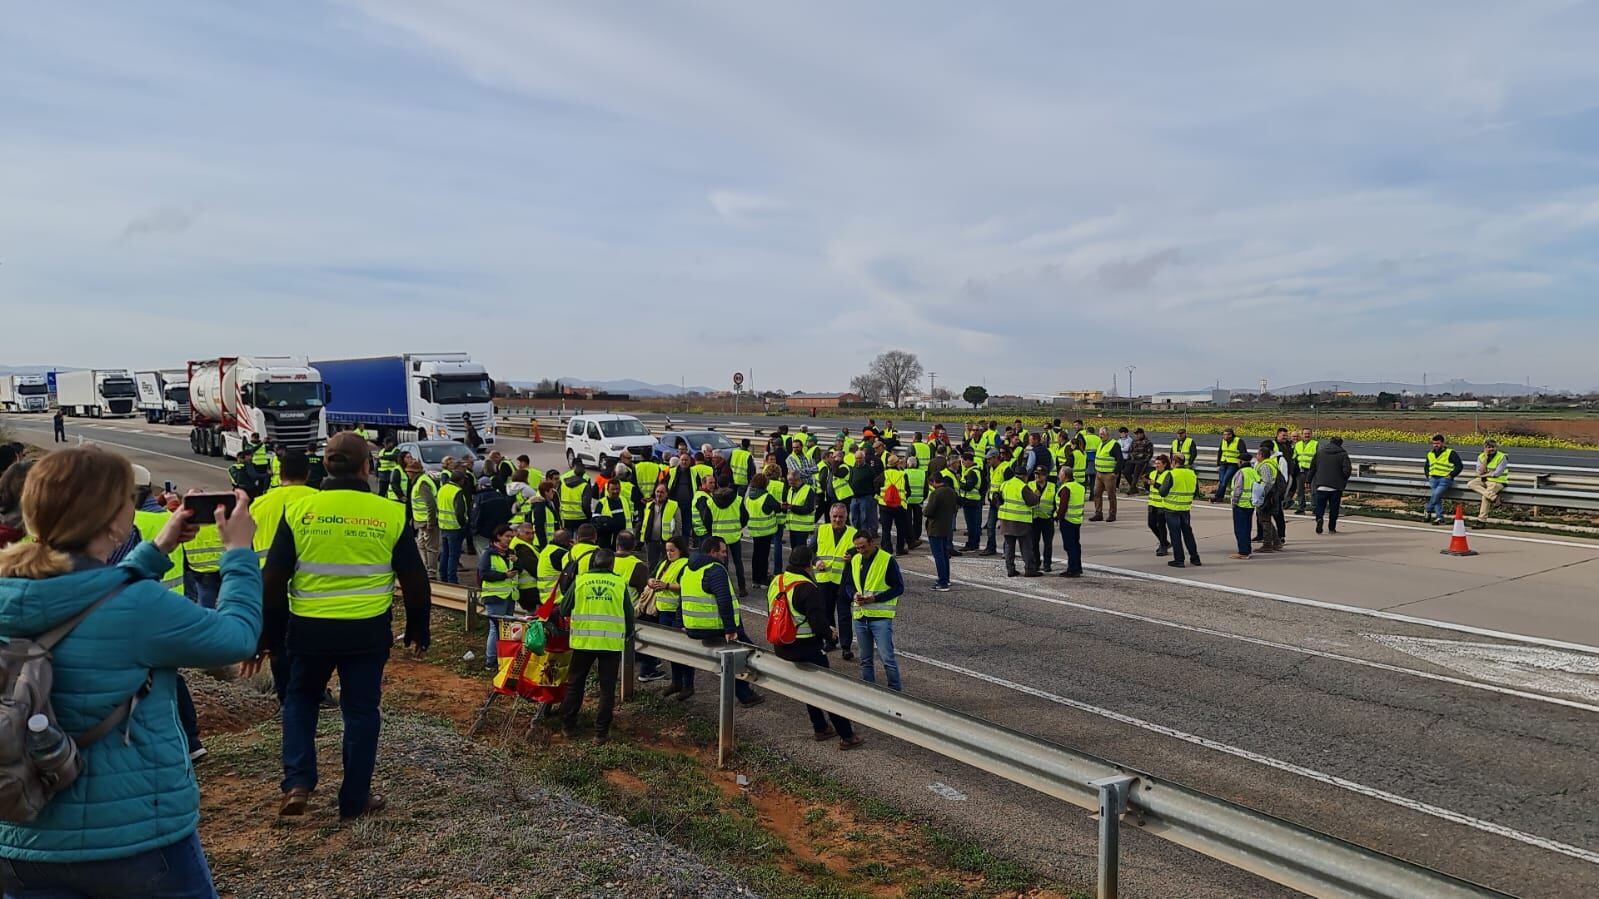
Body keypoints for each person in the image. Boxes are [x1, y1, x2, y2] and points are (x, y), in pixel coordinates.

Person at [0, 447, 261, 897]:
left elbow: (87, 593)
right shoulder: (141, 608)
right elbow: (236, 638)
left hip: (21, 841)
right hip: (135, 840)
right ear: (113, 521)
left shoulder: (11, 589)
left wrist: (156, 549)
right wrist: (238, 553)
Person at [261, 431, 431, 820]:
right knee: (360, 711)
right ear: (367, 467)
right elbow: (415, 579)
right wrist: (419, 627)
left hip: (309, 632)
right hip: (366, 633)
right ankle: (354, 801)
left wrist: (269, 634)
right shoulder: (388, 512)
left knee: (300, 700)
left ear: (324, 465)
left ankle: (298, 781)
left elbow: (273, 579)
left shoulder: (300, 511)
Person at [770, 546, 864, 749]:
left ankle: (820, 727)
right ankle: (847, 735)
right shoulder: (806, 587)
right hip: (806, 647)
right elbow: (818, 622)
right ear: (808, 565)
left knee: (807, 687)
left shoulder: (777, 581)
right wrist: (830, 633)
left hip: (782, 645)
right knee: (827, 690)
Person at [676, 536, 764, 706]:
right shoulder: (715, 570)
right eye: (723, 552)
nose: (725, 555)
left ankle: (744, 693)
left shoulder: (687, 569)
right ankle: (745, 695)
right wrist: (731, 629)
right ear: (712, 552)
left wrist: (680, 623)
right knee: (749, 653)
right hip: (714, 627)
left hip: (693, 627)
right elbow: (723, 600)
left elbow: (681, 598)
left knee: (735, 657)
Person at [558, 549, 634, 743]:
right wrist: (628, 634)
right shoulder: (619, 584)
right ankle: (601, 733)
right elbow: (629, 615)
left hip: (584, 642)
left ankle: (568, 726)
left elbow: (565, 609)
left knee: (575, 684)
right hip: (610, 644)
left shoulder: (580, 581)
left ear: (593, 563)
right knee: (607, 689)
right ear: (612, 565)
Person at [844, 530, 904, 691]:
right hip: (860, 616)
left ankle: (895, 692)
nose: (860, 551)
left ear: (872, 543)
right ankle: (869, 691)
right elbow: (848, 584)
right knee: (865, 659)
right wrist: (853, 594)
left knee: (887, 658)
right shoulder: (856, 560)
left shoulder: (887, 560)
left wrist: (875, 599)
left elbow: (898, 588)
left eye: (863, 547)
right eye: (857, 548)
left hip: (880, 617)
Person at [808, 503, 857, 656]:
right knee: (826, 612)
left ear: (846, 517)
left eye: (841, 517)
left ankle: (846, 646)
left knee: (844, 614)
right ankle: (830, 640)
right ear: (829, 516)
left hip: (843, 579)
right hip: (824, 578)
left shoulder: (853, 533)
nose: (837, 519)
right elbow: (809, 551)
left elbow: (861, 551)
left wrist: (854, 555)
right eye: (835, 516)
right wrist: (816, 561)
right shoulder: (821, 529)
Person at [649, 536, 695, 698]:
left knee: (683, 651)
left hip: (677, 613)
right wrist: (651, 582)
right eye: (667, 550)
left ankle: (688, 685)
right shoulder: (664, 563)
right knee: (671, 650)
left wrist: (666, 585)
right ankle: (676, 682)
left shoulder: (685, 564)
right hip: (663, 611)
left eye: (672, 550)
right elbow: (652, 575)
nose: (669, 553)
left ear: (680, 550)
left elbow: (686, 585)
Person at [477, 524, 517, 671]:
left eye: (511, 536)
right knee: (495, 628)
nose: (510, 539)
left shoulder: (510, 553)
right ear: (498, 536)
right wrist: (503, 575)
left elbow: (519, 569)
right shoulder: (488, 554)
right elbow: (484, 573)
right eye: (507, 536)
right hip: (494, 596)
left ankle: (503, 658)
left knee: (505, 628)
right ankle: (491, 660)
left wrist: (517, 562)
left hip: (509, 595)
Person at [995, 463, 1039, 577]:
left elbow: (998, 500)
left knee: (1009, 546)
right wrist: (1036, 495)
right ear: (1024, 476)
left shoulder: (1005, 484)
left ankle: (1010, 569)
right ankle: (1029, 569)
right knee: (1026, 546)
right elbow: (1031, 501)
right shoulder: (1022, 486)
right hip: (1020, 521)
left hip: (1005, 519)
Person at [1159, 454, 1201, 568]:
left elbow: (1162, 491)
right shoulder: (1191, 473)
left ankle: (1179, 559)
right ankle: (1195, 558)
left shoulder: (1172, 474)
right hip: (1185, 508)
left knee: (1175, 535)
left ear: (1173, 461)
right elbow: (1197, 492)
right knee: (1188, 534)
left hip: (1172, 508)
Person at [1308, 436, 1352, 534]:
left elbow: (1312, 468)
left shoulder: (1320, 453)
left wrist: (1308, 481)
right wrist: (1343, 479)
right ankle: (1331, 528)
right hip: (1336, 486)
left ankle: (1319, 518)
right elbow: (1347, 470)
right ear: (1340, 444)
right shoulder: (1343, 454)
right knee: (1334, 508)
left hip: (1321, 484)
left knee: (1320, 506)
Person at [923, 471, 958, 592]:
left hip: (935, 527)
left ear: (933, 482)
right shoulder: (951, 492)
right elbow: (955, 508)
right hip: (946, 527)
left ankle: (942, 582)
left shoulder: (935, 494)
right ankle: (946, 578)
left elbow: (928, 512)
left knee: (938, 556)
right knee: (944, 555)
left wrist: (924, 510)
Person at [745, 474, 781, 589]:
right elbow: (777, 507)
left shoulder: (749, 496)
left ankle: (755, 579)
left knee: (756, 555)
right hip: (766, 530)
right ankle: (763, 579)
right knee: (764, 555)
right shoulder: (766, 496)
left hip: (754, 530)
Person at [436, 469, 471, 583]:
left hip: (443, 525)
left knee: (445, 553)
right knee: (453, 556)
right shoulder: (457, 491)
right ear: (460, 481)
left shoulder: (443, 488)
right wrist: (463, 524)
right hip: (455, 527)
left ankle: (443, 577)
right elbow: (459, 512)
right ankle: (452, 580)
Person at [1466, 439, 1510, 529]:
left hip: (1497, 481)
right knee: (1471, 483)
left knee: (1485, 497)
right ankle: (1494, 497)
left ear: (1496, 447)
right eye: (1488, 447)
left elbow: (1497, 473)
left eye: (1493, 447)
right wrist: (1486, 457)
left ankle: (1481, 521)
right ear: (1485, 448)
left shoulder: (1502, 457)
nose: (1491, 449)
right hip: (1485, 480)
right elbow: (1480, 471)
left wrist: (1485, 474)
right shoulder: (1481, 457)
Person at [408, 458, 441, 573]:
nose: (407, 474)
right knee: (421, 545)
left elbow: (430, 504)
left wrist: (430, 522)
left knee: (430, 547)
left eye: (409, 472)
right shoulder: (419, 481)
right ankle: (426, 568)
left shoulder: (422, 483)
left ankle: (431, 571)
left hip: (427, 522)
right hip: (421, 522)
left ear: (414, 472)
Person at [1229, 456, 1264, 560]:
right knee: (1247, 528)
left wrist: (1234, 501)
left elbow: (1238, 489)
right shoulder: (1253, 471)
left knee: (1240, 529)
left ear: (1241, 461)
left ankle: (1243, 552)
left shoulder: (1241, 472)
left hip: (1241, 504)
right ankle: (1247, 549)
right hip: (1250, 503)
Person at [1054, 466, 1086, 577]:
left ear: (1064, 475)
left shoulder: (1066, 488)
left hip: (1067, 520)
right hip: (1077, 519)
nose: (1058, 476)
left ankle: (1072, 569)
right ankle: (1078, 567)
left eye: (1060, 473)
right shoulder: (1079, 487)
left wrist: (1057, 517)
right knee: (1076, 545)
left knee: (1069, 546)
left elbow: (1063, 506)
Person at [1252, 443, 1283, 553]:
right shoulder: (1271, 464)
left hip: (1267, 496)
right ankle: (1276, 542)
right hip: (1271, 495)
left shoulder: (1265, 465)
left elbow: (1267, 482)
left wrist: (1261, 495)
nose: (1256, 456)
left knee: (1264, 520)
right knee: (1266, 520)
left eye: (1257, 454)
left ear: (1261, 455)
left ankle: (1267, 544)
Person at [877, 456, 910, 555]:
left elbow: (875, 485)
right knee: (901, 528)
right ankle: (900, 549)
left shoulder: (884, 474)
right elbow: (908, 490)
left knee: (886, 529)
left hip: (885, 505)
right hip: (899, 506)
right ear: (897, 464)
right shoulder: (903, 474)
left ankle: (887, 548)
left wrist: (879, 496)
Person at [1089, 427, 1122, 522]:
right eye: (1100, 434)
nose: (1100, 436)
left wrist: (1115, 473)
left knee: (1111, 495)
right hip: (1099, 473)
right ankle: (1098, 513)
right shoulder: (1101, 443)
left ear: (1108, 434)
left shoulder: (1114, 445)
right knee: (1097, 494)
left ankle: (1112, 514)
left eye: (1102, 434)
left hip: (1108, 474)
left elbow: (1120, 460)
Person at [846, 446, 882, 532]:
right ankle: (856, 532)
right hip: (854, 497)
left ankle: (864, 533)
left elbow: (875, 482)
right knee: (854, 517)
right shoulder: (853, 469)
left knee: (864, 518)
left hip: (865, 497)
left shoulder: (869, 469)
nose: (858, 460)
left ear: (864, 458)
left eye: (860, 458)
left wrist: (872, 494)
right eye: (857, 458)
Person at [1029, 465, 1057, 573]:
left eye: (1039, 474)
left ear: (1045, 475)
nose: (1037, 476)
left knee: (1048, 543)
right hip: (1034, 518)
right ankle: (1036, 563)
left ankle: (1047, 564)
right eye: (1035, 474)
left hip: (1047, 519)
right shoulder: (1030, 485)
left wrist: (1054, 515)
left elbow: (1056, 502)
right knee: (1034, 543)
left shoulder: (1053, 486)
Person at [1146, 454, 1172, 556]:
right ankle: (1164, 542)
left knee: (1161, 526)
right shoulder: (1152, 473)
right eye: (1155, 463)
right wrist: (1146, 483)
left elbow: (1165, 489)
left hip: (1162, 504)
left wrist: (1155, 484)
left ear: (1165, 464)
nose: (1156, 465)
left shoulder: (1168, 474)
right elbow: (1149, 488)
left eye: (1159, 463)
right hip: (1152, 503)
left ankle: (1163, 546)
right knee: (1151, 524)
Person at [1212, 427, 1244, 504]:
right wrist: (1218, 464)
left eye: (1226, 435)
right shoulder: (1223, 441)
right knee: (1222, 480)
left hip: (1233, 464)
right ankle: (1219, 497)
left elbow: (1243, 453)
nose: (1224, 436)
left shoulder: (1238, 441)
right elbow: (1220, 452)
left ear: (1231, 435)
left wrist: (1240, 464)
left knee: (1225, 480)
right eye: (1223, 435)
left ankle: (1217, 497)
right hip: (1223, 463)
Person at [1292, 428, 1320, 514]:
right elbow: (1294, 456)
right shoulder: (1298, 444)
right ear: (1302, 434)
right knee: (1300, 490)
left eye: (1308, 434)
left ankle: (1315, 508)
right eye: (1305, 434)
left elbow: (1318, 457)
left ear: (1311, 434)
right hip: (1301, 471)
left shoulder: (1315, 444)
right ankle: (1301, 508)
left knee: (1313, 490)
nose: (1307, 435)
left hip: (1312, 471)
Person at [1125, 428, 1154, 495]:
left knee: (1136, 473)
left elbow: (1150, 454)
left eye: (1138, 434)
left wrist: (1144, 460)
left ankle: (1132, 488)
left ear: (1142, 433)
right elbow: (1130, 451)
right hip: (1133, 460)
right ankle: (1134, 487)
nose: (1137, 435)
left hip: (1142, 461)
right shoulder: (1134, 441)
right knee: (1126, 471)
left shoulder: (1147, 442)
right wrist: (1130, 458)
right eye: (1136, 434)